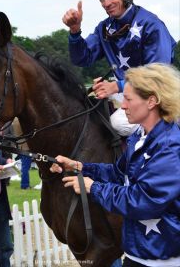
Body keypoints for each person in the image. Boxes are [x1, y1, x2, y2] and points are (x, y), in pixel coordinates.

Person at [50, 63, 180, 266]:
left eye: (128, 99)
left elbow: (143, 201)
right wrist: (80, 167)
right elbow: (120, 174)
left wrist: (93, 187)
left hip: (164, 259)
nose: (123, 106)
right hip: (138, 254)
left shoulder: (170, 146)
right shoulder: (139, 136)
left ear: (152, 101)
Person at [63, 0, 176, 137]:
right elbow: (82, 59)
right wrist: (74, 31)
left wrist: (117, 86)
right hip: (127, 95)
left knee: (118, 123)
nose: (106, 4)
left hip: (158, 96)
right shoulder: (104, 28)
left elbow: (157, 77)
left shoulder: (152, 25)